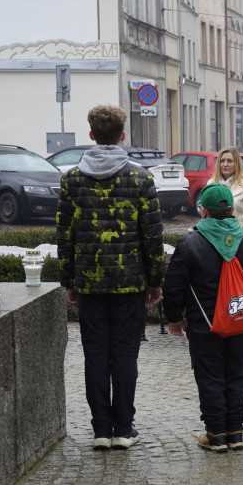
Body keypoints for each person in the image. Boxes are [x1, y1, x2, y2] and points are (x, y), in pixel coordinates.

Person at [56, 104, 164, 451]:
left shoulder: (72, 180)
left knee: (95, 356)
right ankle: (124, 428)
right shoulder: (141, 178)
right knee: (125, 356)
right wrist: (155, 280)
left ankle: (101, 429)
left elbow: (65, 235)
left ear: (91, 136)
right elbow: (153, 236)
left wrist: (69, 281)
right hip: (130, 285)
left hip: (90, 284)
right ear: (122, 136)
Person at [163, 184, 243, 452]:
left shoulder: (189, 243)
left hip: (204, 323)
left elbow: (174, 285)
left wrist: (175, 318)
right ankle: (236, 432)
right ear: (233, 210)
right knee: (237, 374)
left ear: (203, 210)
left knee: (209, 376)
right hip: (240, 321)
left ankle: (215, 435)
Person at [207, 146, 243, 238]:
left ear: (236, 163)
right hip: (215, 238)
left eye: (229, 161)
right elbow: (205, 216)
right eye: (222, 161)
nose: (225, 164)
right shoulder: (211, 183)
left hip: (238, 238)